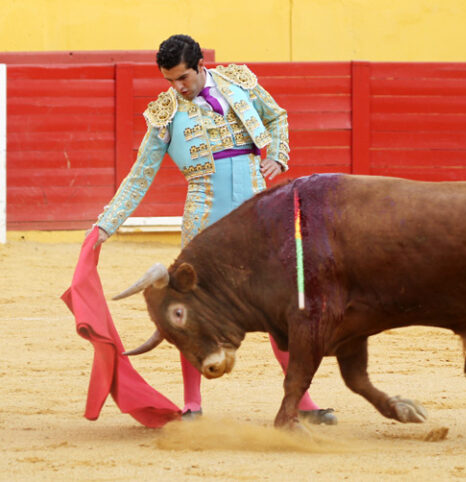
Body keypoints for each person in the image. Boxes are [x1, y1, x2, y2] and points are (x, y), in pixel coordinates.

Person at [89, 34, 336, 425]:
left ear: (201, 66)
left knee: (281, 311)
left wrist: (280, 156)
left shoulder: (241, 83)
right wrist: (105, 225)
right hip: (205, 225)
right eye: (170, 81)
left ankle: (301, 402)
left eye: (183, 78)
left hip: (258, 218)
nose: (178, 88)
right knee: (190, 311)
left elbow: (277, 116)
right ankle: (192, 404)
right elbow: (140, 176)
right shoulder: (165, 114)